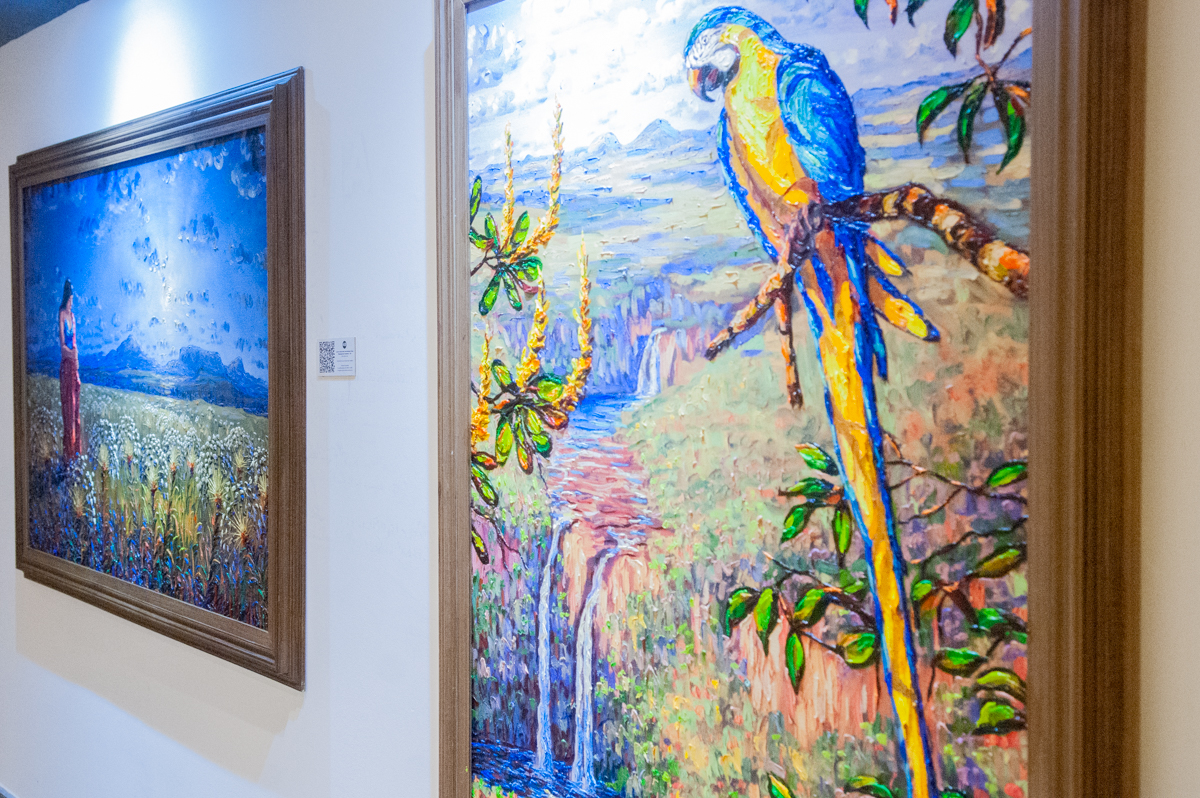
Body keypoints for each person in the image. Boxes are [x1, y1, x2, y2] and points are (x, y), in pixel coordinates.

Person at [58, 279, 81, 462]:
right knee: (69, 409)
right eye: (70, 300)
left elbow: (74, 343)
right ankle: (69, 455)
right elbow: (63, 346)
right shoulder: (62, 314)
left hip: (74, 366)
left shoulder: (73, 317)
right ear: (66, 298)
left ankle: (77, 453)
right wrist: (72, 355)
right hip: (66, 366)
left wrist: (76, 357)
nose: (71, 303)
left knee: (76, 413)